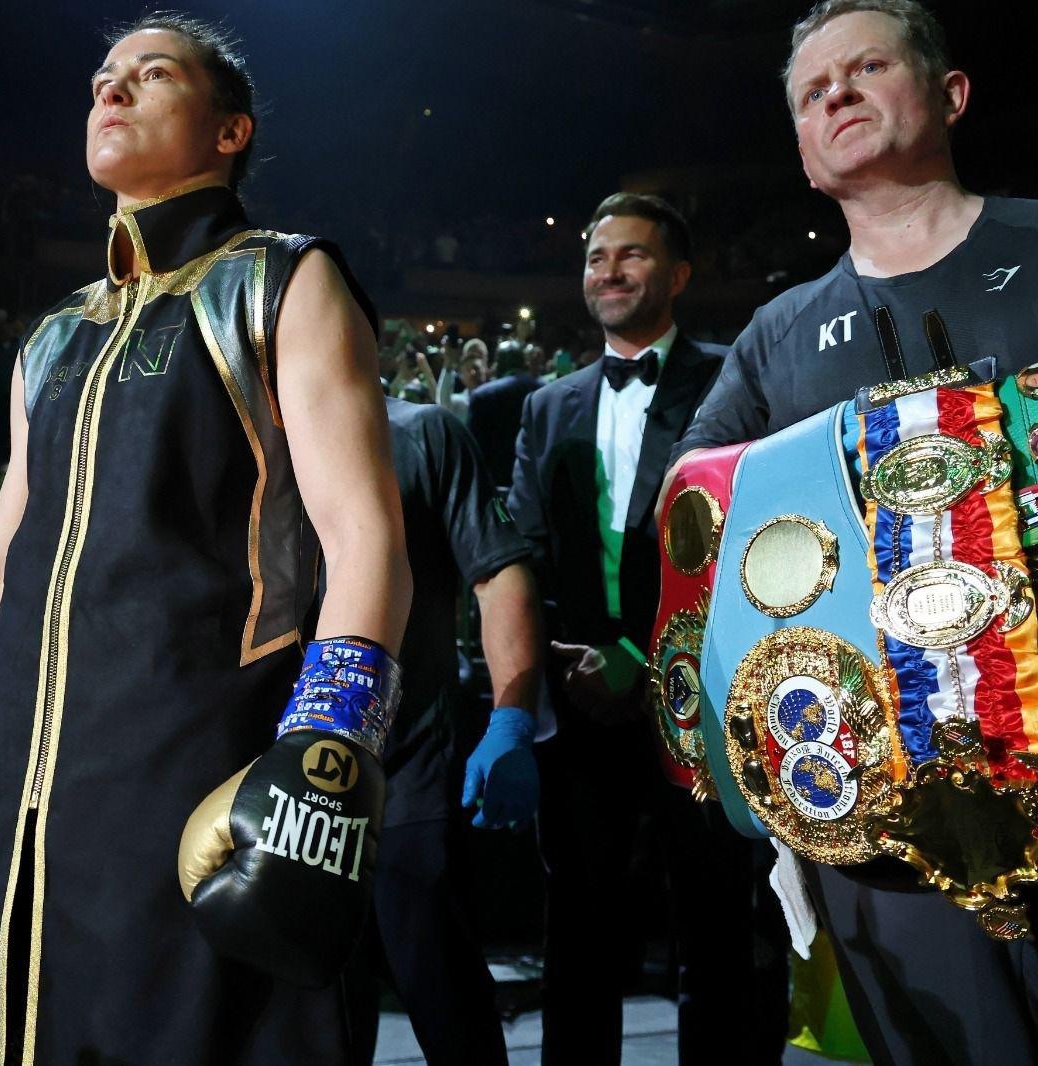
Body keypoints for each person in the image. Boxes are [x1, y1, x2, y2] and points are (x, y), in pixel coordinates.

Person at [0, 13, 411, 1064]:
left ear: (230, 131)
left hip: (193, 769)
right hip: (11, 785)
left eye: (152, 73)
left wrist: (328, 744)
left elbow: (364, 532)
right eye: (102, 76)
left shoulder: (283, 278)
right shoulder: (55, 333)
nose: (111, 88)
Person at [668, 3, 1038, 1061]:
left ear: (950, 95)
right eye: (811, 91)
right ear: (801, 149)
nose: (836, 92)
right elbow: (692, 511)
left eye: (867, 67)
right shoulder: (778, 333)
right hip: (885, 811)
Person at [510, 193, 787, 1064]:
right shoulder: (547, 405)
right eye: (597, 258)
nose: (610, 272)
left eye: (631, 255)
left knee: (717, 927)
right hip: (579, 703)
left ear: (678, 274)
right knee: (578, 932)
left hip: (701, 695)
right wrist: (568, 654)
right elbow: (528, 544)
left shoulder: (731, 380)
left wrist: (641, 653)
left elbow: (750, 539)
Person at [347, 396, 542, 1065]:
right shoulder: (251, 437)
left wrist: (511, 716)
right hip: (292, 769)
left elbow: (498, 575)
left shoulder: (421, 433)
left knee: (443, 991)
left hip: (410, 762)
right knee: (312, 1016)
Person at [468, 341, 542, 491]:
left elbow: (474, 448)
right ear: (524, 362)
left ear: (498, 364)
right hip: (536, 483)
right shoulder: (544, 390)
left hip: (496, 485)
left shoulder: (482, 395)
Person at [435, 337, 490, 422]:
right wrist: (449, 362)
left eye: (476, 368)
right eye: (468, 370)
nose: (473, 373)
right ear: (461, 375)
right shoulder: (460, 401)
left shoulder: (495, 394)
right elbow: (444, 401)